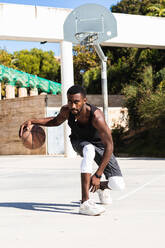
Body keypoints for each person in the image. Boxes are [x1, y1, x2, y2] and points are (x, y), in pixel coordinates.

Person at [19, 85, 125, 216]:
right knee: (89, 149)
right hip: (79, 141)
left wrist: (98, 175)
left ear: (84, 101)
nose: (73, 105)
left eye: (76, 102)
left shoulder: (97, 117)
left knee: (118, 184)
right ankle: (85, 203)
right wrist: (33, 121)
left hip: (102, 147)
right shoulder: (66, 110)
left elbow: (110, 145)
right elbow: (55, 121)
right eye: (70, 101)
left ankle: (102, 188)